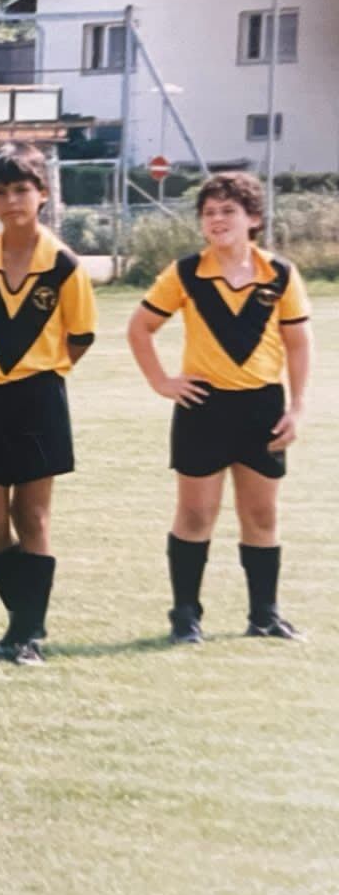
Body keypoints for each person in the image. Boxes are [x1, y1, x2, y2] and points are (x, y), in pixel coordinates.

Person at [126, 171, 312, 644]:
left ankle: (265, 615)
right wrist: (162, 381)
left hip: (262, 408)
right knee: (195, 514)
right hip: (204, 408)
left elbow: (298, 343)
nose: (217, 220)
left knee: (261, 515)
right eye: (209, 212)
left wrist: (297, 407)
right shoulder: (186, 272)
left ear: (253, 219)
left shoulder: (280, 274)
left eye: (229, 210)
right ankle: (185, 616)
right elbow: (140, 328)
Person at [0, 142, 97, 666]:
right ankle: (26, 615)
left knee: (32, 515)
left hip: (40, 398)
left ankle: (25, 635)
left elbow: (80, 336)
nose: (11, 200)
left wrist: (44, 374)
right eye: (0, 192)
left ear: (42, 193)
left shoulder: (64, 265)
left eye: (21, 189)